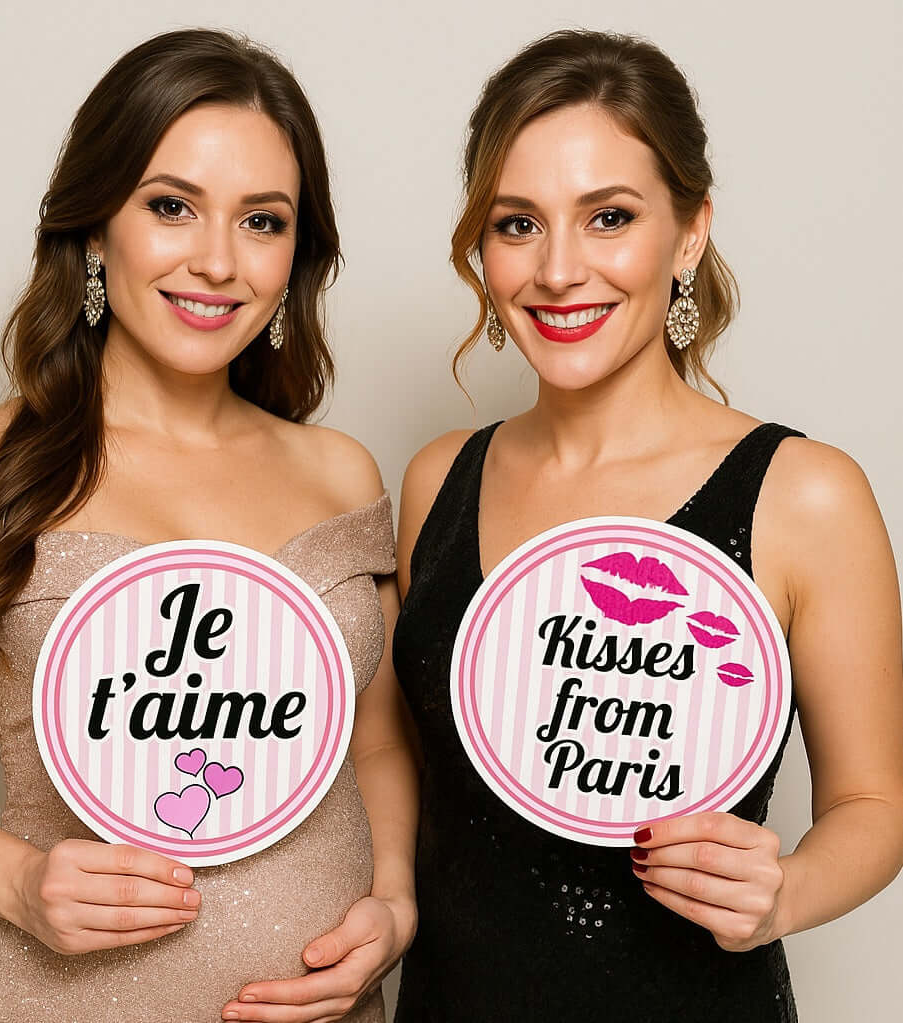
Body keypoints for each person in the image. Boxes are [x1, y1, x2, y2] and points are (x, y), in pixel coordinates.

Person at [0, 29, 417, 1023]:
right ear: (96, 228)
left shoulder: (340, 473)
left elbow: (376, 747)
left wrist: (393, 904)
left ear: (295, 253)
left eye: (262, 221)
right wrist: (14, 883)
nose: (216, 262)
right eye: (171, 207)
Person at [392, 29, 903, 1021]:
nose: (558, 269)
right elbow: (423, 793)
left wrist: (786, 892)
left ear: (690, 232)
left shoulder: (803, 495)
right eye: (517, 224)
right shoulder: (437, 480)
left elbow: (875, 808)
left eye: (609, 217)